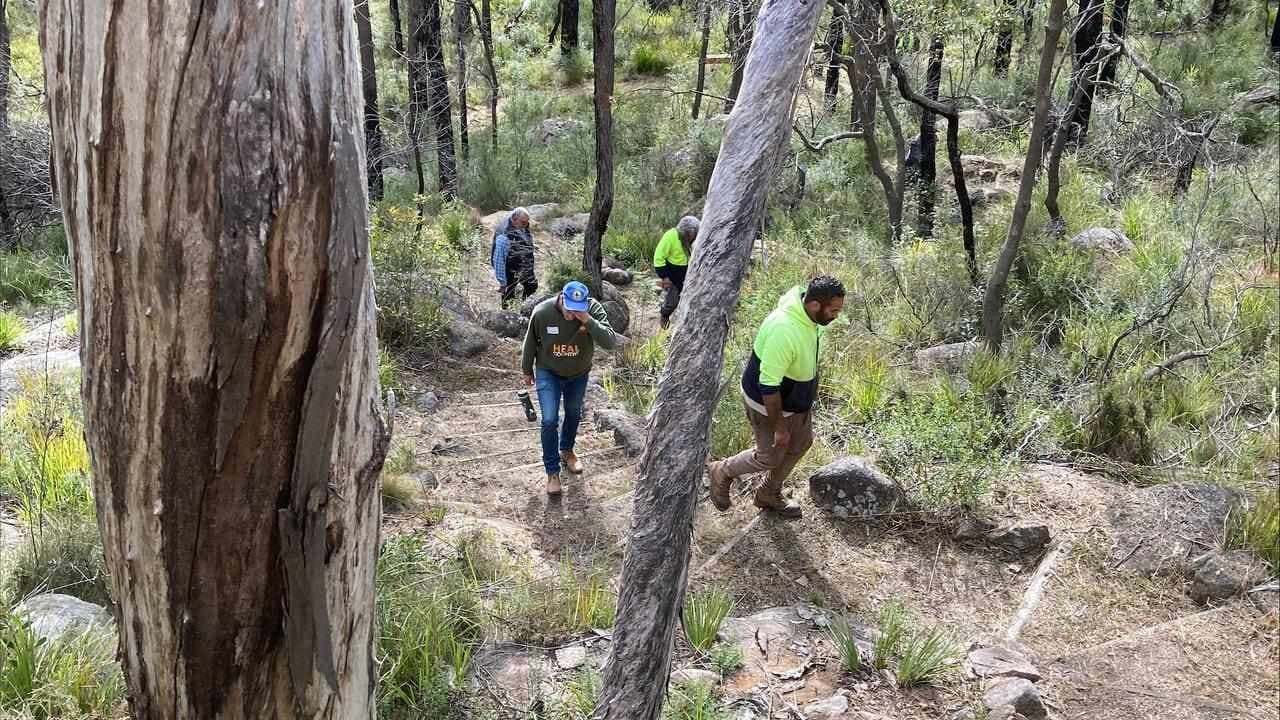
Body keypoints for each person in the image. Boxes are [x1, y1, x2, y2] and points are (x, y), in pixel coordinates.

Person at [707, 276, 846, 518]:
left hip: (795, 400)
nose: (836, 316)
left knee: (801, 443)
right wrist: (780, 426)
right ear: (814, 305)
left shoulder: (810, 318)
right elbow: (768, 386)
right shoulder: (784, 329)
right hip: (766, 404)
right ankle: (722, 470)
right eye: (833, 311)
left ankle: (768, 493)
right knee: (769, 457)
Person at [522, 281, 619, 495]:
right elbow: (529, 342)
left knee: (574, 413)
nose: (572, 314)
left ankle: (567, 450)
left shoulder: (591, 309)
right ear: (562, 299)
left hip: (578, 373)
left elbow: (610, 341)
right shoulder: (542, 312)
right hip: (549, 372)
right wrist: (527, 370)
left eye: (578, 309)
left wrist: (587, 320)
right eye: (569, 309)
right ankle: (552, 472)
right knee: (549, 420)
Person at [653, 215, 700, 329]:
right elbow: (658, 257)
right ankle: (664, 315)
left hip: (687, 274)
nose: (694, 237)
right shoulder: (670, 236)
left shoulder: (689, 241)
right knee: (672, 301)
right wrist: (664, 277)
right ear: (687, 232)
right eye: (693, 234)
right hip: (672, 276)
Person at [491, 207, 538, 307]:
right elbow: (499, 261)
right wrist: (503, 283)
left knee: (532, 286)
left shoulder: (520, 225)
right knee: (508, 294)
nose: (526, 225)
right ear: (514, 218)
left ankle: (525, 309)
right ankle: (507, 317)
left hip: (523, 265)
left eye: (527, 223)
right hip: (509, 268)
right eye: (523, 222)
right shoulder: (503, 236)